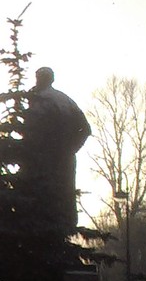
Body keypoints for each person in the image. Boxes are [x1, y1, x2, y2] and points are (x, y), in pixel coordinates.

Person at [21, 66, 92, 230]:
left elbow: (32, 132)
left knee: (44, 204)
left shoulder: (44, 101)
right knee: (62, 202)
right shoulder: (64, 100)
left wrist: (67, 150)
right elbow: (85, 129)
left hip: (43, 162)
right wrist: (70, 149)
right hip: (62, 159)